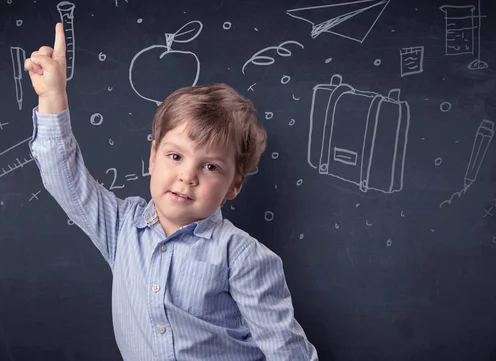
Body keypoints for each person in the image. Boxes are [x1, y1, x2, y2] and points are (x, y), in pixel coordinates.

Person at [26, 22, 318, 360]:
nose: (187, 176)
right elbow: (66, 179)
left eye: (210, 167)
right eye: (175, 156)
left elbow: (287, 350)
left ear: (234, 185)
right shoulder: (122, 228)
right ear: (153, 158)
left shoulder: (241, 257)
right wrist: (52, 97)